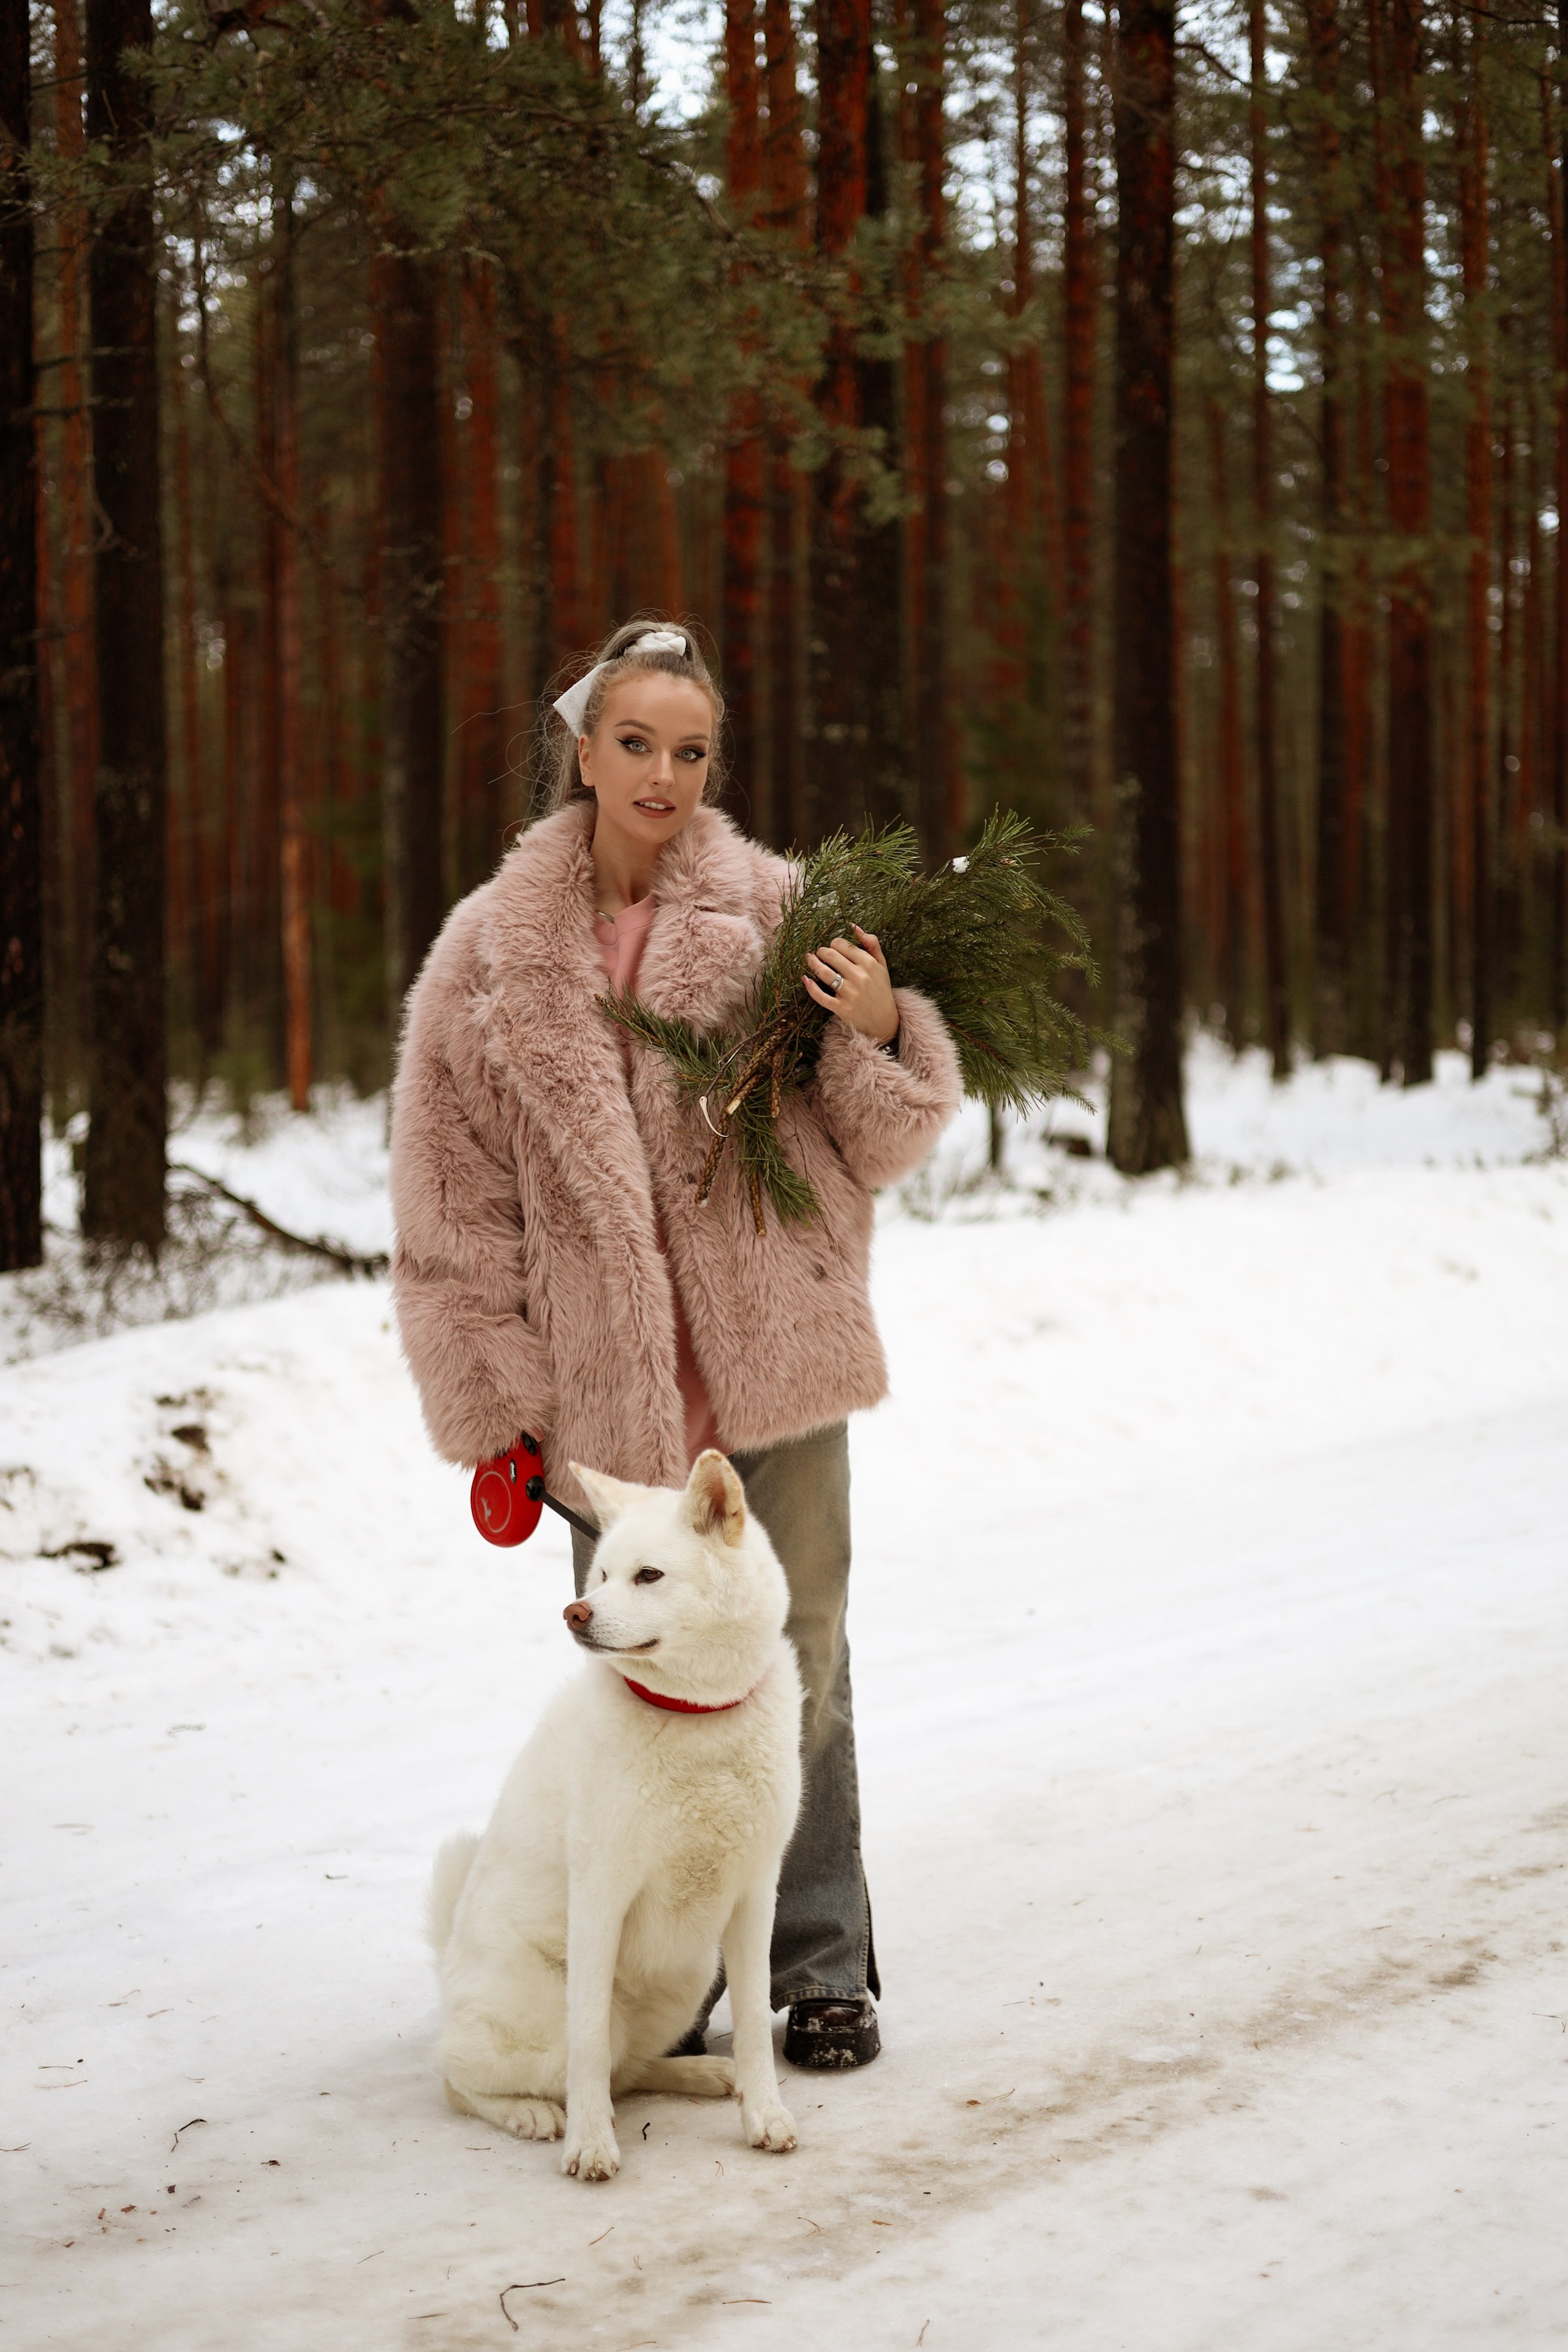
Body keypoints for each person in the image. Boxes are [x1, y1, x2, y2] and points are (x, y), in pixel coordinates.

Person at [388, 619, 960, 2069]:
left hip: (777, 1365)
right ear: (581, 751)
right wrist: (499, 1402)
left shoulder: (777, 913)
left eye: (689, 751)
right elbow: (449, 1208)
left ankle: (815, 1964)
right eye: (634, 743)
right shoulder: (483, 957)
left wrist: (881, 1026)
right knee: (645, 1688)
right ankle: (668, 1979)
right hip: (607, 1409)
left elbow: (875, 1139)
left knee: (797, 1652)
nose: (661, 774)